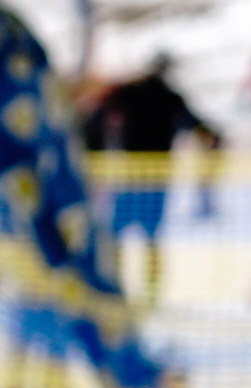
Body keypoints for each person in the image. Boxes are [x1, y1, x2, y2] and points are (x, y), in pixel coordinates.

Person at [82, 54, 219, 301]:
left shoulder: (135, 93)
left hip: (135, 178)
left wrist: (92, 145)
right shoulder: (165, 96)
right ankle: (143, 291)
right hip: (151, 179)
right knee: (147, 238)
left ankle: (121, 288)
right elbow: (196, 126)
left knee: (120, 237)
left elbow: (97, 116)